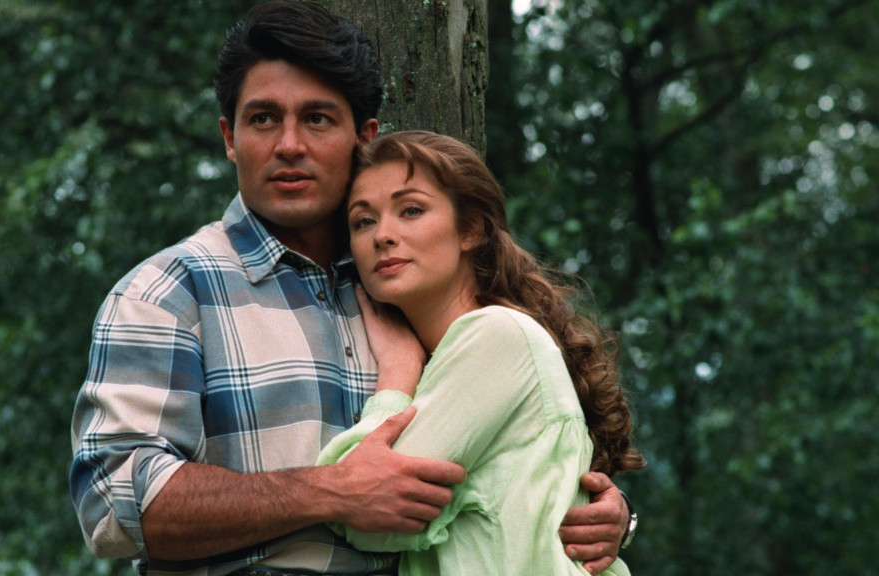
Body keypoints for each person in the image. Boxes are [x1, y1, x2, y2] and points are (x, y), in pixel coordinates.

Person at [70, 2, 634, 575]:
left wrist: (598, 510)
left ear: (362, 138)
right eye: (263, 119)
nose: (290, 144)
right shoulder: (168, 292)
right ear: (229, 137)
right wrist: (328, 492)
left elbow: (514, 452)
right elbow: (112, 507)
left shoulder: (405, 283)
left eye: (317, 119)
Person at [316, 130, 646, 575]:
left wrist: (396, 374)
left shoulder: (497, 336)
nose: (383, 236)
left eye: (411, 210)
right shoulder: (479, 346)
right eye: (363, 221)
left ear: (470, 229)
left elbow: (365, 519)